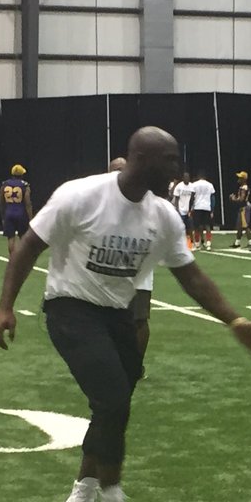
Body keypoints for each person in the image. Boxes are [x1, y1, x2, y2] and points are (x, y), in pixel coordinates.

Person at [0, 126, 251, 502]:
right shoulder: (80, 196)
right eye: (170, 161)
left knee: (113, 408)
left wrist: (234, 321)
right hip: (71, 308)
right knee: (112, 400)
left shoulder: (162, 215)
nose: (176, 170)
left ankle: (80, 500)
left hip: (119, 316)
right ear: (142, 159)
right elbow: (29, 248)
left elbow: (190, 276)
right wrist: (5, 306)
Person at [110, 156, 154, 372]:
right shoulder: (100, 201)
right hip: (106, 276)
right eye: (113, 171)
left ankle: (136, 365)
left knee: (139, 320)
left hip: (138, 274)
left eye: (120, 170)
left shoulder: (143, 200)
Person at [0, 164, 33, 254]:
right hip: (21, 214)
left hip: (8, 213)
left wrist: (3, 216)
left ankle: (12, 258)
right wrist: (31, 218)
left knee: (11, 238)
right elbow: (28, 203)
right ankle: (22, 258)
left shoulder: (5, 184)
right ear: (22, 174)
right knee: (23, 238)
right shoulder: (25, 185)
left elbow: (1, 201)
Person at [189, 169, 215, 251]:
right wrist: (212, 210)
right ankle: (208, 244)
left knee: (197, 226)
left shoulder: (194, 184)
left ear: (198, 177)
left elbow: (192, 197)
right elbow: (212, 198)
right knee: (207, 226)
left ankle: (197, 244)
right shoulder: (210, 185)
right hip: (207, 207)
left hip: (197, 207)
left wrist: (190, 208)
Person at [230, 170, 251, 250]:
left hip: (244, 208)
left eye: (240, 178)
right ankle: (237, 242)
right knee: (239, 226)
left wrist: (234, 199)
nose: (238, 179)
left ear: (244, 179)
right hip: (242, 208)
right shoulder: (242, 187)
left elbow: (242, 199)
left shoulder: (244, 188)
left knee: (245, 226)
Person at [171, 171, 194, 245]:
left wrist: (191, 209)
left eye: (188, 177)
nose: (187, 178)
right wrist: (177, 210)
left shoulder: (192, 186)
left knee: (190, 227)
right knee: (181, 228)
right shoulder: (179, 186)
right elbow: (176, 199)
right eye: (185, 177)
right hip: (181, 210)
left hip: (189, 210)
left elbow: (193, 198)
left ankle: (191, 242)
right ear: (183, 178)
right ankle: (181, 243)